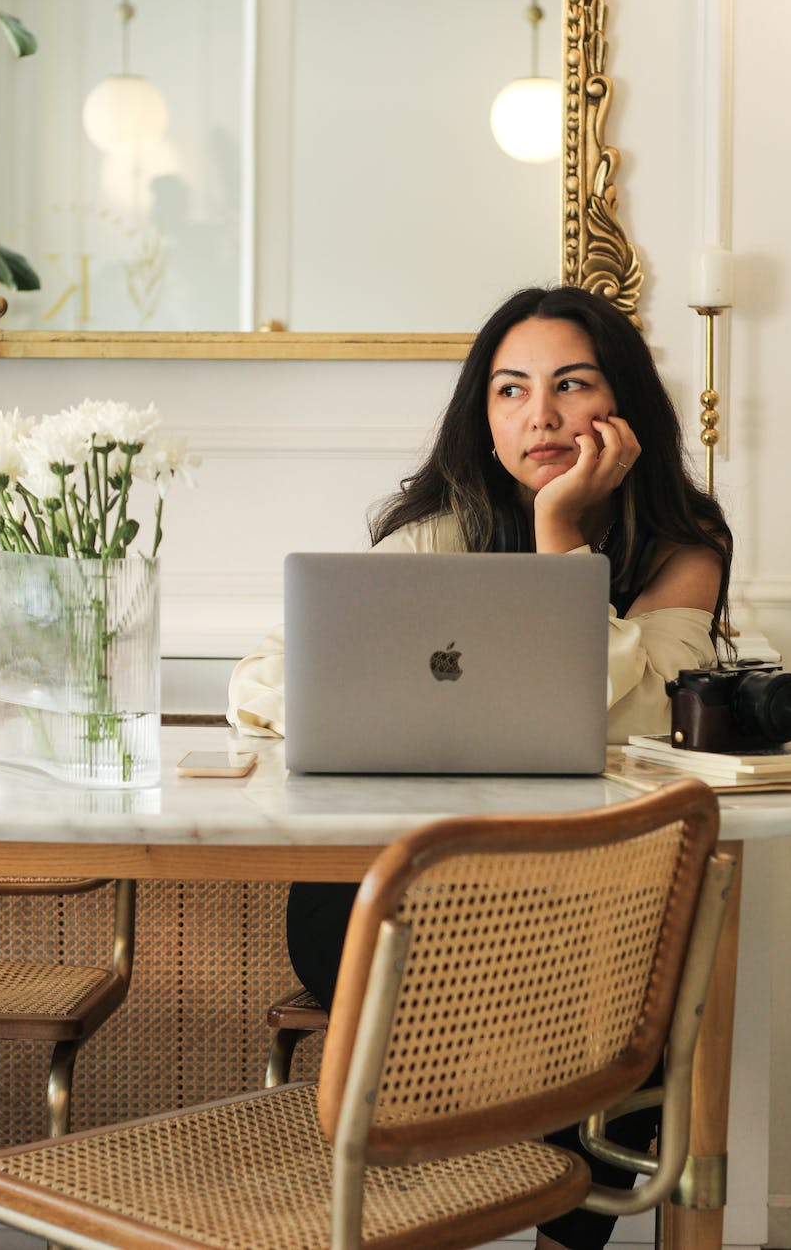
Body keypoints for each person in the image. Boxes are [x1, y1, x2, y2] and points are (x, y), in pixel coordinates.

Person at [227, 285, 733, 1250]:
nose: (537, 414)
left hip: (585, 910)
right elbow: (266, 676)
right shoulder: (437, 528)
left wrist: (558, 530)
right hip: (406, 906)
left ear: (621, 406)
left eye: (569, 385)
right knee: (591, 1006)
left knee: (630, 983)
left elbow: (629, 711)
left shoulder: (680, 547)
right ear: (483, 413)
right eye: (509, 390)